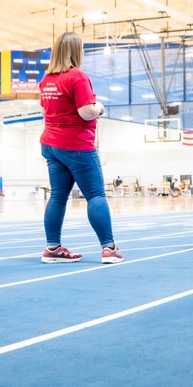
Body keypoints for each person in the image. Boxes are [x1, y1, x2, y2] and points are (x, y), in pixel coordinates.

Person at [38, 31, 122, 264]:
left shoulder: (46, 80)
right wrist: (100, 107)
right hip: (76, 145)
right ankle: (109, 248)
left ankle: (53, 248)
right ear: (76, 51)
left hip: (51, 144)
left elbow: (44, 111)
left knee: (57, 196)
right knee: (95, 194)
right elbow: (86, 112)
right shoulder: (77, 76)